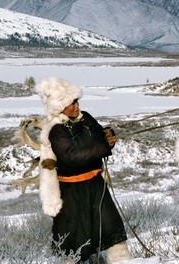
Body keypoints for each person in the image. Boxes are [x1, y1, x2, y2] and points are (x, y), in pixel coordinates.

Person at [36, 77, 131, 264]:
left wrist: (107, 135)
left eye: (76, 101)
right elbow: (72, 157)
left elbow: (96, 137)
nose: (76, 106)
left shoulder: (86, 118)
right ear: (58, 107)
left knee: (111, 230)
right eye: (71, 103)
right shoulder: (56, 132)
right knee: (74, 241)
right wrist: (104, 145)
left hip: (95, 185)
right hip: (73, 193)